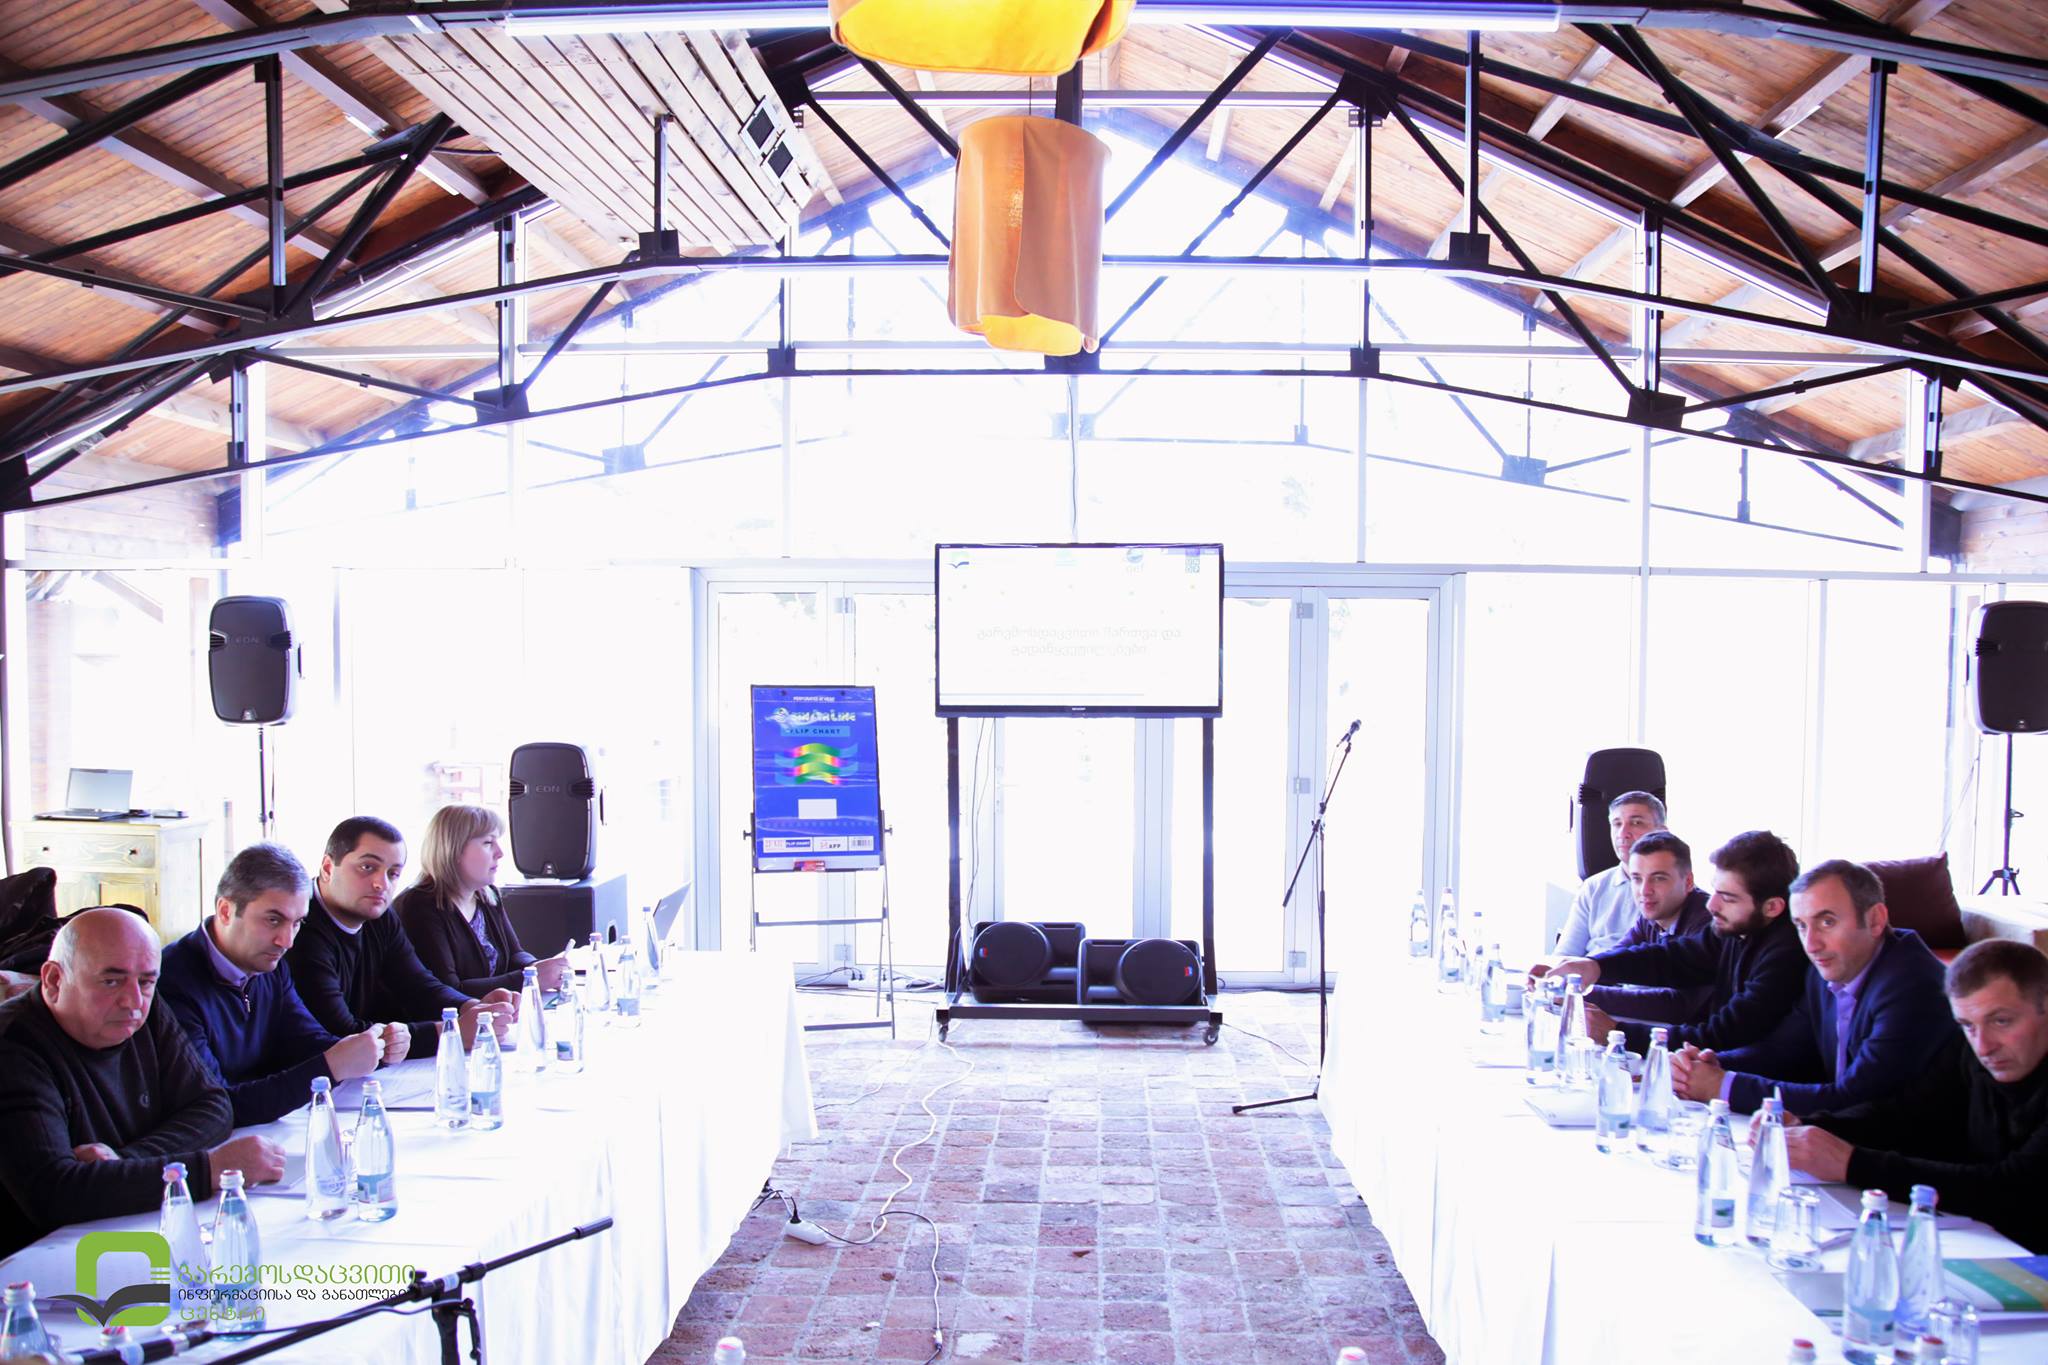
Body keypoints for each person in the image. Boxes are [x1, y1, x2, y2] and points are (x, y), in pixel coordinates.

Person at [0, 908, 281, 1257]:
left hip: (123, 1231)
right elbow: (53, 1193)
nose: (133, 1001)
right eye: (110, 981)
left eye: (147, 982)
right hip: (36, 1263)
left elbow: (213, 1106)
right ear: (55, 980)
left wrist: (125, 1161)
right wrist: (206, 1170)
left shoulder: (142, 1010)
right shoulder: (13, 1047)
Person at [1784, 939, 2048, 1252]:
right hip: (1988, 1241)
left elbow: (2011, 1189)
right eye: (1967, 1025)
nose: (1984, 1046)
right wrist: (1807, 1128)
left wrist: (1852, 1163)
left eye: (2001, 1021)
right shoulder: (1969, 1051)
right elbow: (1909, 1115)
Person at [1671, 859, 1954, 1112]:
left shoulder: (1913, 985)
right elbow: (1785, 1050)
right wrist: (1713, 1065)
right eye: (1802, 926)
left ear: (1875, 920)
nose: (1811, 944)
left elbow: (1858, 1100)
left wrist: (1722, 1086)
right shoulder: (1826, 971)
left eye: (1827, 922)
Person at [159, 844, 398, 1127]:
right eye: (273, 920)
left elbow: (306, 1043)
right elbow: (218, 1105)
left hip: (265, 1132)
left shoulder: (269, 966)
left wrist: (377, 1047)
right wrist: (332, 1066)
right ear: (225, 911)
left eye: (297, 923)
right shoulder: (171, 984)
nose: (287, 941)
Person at [1533, 829, 1806, 1053]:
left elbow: (1724, 1034)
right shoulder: (1736, 927)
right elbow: (1673, 957)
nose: (1712, 904)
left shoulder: (1786, 955)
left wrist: (1618, 1033)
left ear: (1772, 907)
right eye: (1716, 891)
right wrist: (1594, 966)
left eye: (1728, 897)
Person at [286, 816, 511, 1058]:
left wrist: (472, 1007)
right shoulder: (299, 927)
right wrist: (450, 1032)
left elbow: (417, 985)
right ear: (328, 868)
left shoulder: (379, 915)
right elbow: (340, 1035)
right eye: (367, 867)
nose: (381, 884)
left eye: (393, 873)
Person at [396, 806, 566, 997]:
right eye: (488, 843)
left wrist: (538, 967)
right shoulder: (419, 906)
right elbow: (449, 990)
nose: (500, 852)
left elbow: (514, 954)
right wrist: (530, 979)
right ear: (453, 850)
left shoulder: (486, 894)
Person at [1584, 830, 1712, 1026]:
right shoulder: (1653, 916)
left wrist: (1580, 992)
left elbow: (1677, 1006)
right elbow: (1615, 961)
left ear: (1688, 882)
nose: (1644, 891)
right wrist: (1573, 975)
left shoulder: (1708, 924)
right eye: (1637, 878)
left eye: (1658, 878)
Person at [1554, 791, 1667, 956]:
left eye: (1636, 823)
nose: (1622, 833)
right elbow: (1565, 955)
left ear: (1661, 832)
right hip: (1589, 969)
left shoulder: (1676, 890)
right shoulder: (1593, 887)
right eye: (1617, 824)